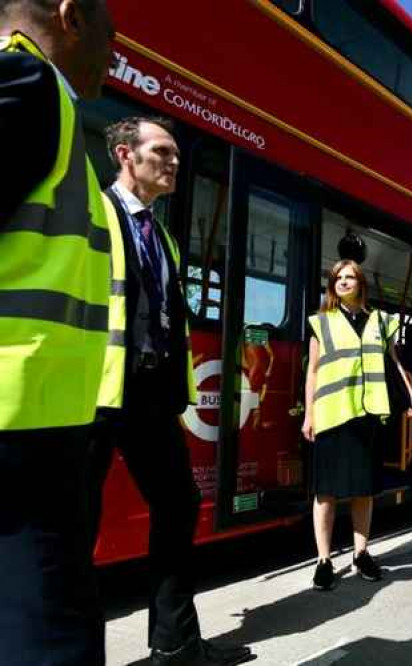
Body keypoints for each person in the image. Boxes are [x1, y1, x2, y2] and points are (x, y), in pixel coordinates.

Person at [85, 117, 252, 666]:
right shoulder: (92, 212)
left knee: (179, 505)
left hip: (152, 393)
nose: (175, 161)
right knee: (72, 523)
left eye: (177, 153)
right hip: (91, 392)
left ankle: (176, 646)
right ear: (125, 155)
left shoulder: (165, 240)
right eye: (163, 151)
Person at [1, 1, 114, 663]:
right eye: (112, 32)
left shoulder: (53, 103)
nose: (115, 50)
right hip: (18, 429)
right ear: (72, 16)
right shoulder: (29, 83)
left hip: (42, 422)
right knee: (51, 638)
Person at [302, 258, 412, 591]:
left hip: (367, 414)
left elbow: (393, 362)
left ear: (361, 284)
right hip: (331, 414)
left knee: (363, 490)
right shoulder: (320, 322)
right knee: (325, 493)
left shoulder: (381, 322)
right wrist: (310, 415)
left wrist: (411, 395)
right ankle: (324, 560)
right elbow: (312, 371)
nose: (343, 282)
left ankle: (361, 553)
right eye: (338, 278)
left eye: (349, 277)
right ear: (332, 286)